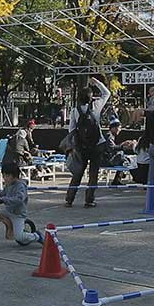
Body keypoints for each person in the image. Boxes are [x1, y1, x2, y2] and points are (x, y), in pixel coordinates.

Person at [65, 76, 111, 208]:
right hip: (97, 145)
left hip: (82, 146)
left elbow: (71, 130)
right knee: (93, 173)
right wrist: (96, 82)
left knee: (78, 172)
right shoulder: (96, 107)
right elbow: (107, 93)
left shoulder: (75, 111)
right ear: (91, 98)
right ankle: (89, 200)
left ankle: (69, 199)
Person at [0, 163, 44, 245]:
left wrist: (4, 200)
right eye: (4, 176)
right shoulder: (8, 185)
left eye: (7, 176)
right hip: (8, 211)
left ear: (15, 176)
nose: (5, 178)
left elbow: (19, 199)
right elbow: (2, 193)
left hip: (17, 214)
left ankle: (37, 236)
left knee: (19, 237)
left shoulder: (20, 186)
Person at [102, 117, 127, 185]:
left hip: (106, 158)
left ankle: (119, 177)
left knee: (123, 158)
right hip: (106, 160)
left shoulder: (110, 135)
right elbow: (111, 148)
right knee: (124, 158)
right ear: (113, 128)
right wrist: (123, 146)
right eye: (118, 128)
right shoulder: (109, 136)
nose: (119, 130)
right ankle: (120, 177)